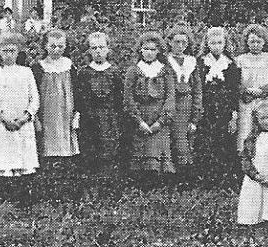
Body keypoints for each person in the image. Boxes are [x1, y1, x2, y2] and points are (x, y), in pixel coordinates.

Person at [0, 36, 40, 190]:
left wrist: (24, 118)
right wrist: (4, 118)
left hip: (22, 125)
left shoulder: (26, 72)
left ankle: (19, 195)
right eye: (4, 51)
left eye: (12, 51)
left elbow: (35, 100)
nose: (8, 54)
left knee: (21, 160)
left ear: (18, 52)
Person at [126, 32, 176, 180]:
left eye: (153, 49)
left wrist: (160, 122)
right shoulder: (133, 70)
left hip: (159, 118)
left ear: (159, 51)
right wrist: (139, 121)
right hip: (140, 118)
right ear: (140, 50)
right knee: (140, 151)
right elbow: (128, 98)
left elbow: (170, 97)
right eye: (146, 49)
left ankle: (159, 185)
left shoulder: (165, 71)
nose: (149, 52)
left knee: (158, 152)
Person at [74, 31, 125, 170]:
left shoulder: (114, 72)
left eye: (101, 47)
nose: (98, 51)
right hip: (89, 120)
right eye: (94, 48)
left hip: (109, 119)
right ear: (89, 50)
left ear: (108, 49)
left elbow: (120, 99)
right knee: (90, 154)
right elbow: (79, 98)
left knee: (108, 153)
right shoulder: (84, 73)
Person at [31, 29, 79, 164]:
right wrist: (36, 119)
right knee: (47, 148)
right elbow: (34, 94)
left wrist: (77, 114)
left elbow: (77, 92)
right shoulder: (39, 67)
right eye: (52, 46)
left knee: (65, 148)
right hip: (47, 114)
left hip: (66, 113)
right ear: (45, 46)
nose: (56, 50)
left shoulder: (69, 66)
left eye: (60, 46)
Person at [199, 27, 241, 177]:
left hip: (225, 109)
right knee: (206, 139)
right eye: (213, 43)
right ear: (207, 44)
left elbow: (234, 91)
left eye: (219, 43)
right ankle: (206, 175)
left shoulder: (231, 65)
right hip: (206, 108)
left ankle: (224, 176)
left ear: (225, 44)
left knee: (224, 140)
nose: (216, 46)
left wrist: (234, 115)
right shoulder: (201, 63)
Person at [165, 27, 203, 179]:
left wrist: (195, 116)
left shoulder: (191, 62)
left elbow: (197, 90)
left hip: (186, 105)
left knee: (185, 139)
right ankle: (169, 176)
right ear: (170, 42)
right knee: (169, 139)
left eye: (183, 42)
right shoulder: (165, 62)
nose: (180, 46)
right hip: (170, 104)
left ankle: (184, 177)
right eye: (176, 42)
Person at [233, 25, 268, 155]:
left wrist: (262, 91)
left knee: (264, 130)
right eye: (252, 41)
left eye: (259, 41)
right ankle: (244, 160)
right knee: (245, 130)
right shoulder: (240, 60)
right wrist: (247, 91)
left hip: (265, 100)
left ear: (264, 42)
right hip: (246, 100)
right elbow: (236, 82)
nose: (255, 44)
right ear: (246, 42)